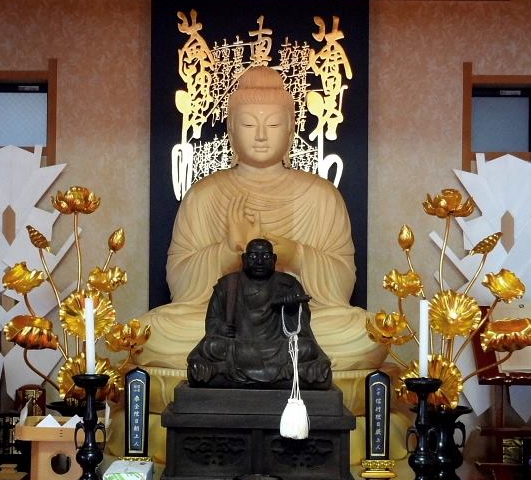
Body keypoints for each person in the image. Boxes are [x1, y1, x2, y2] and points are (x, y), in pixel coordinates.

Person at [136, 66, 386, 376]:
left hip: (295, 320)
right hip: (228, 323)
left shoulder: (322, 195)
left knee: (364, 331)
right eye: (248, 124)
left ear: (291, 129)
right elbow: (179, 283)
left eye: (274, 124)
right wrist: (228, 251)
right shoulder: (204, 194)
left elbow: (342, 284)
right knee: (152, 331)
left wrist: (294, 254)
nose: (261, 135)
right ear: (231, 129)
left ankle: (233, 366)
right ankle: (289, 366)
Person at [188, 238, 331, 389]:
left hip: (276, 347)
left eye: (266, 256)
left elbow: (301, 329)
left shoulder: (289, 284)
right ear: (244, 258)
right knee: (210, 346)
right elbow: (212, 322)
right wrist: (221, 328)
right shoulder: (227, 284)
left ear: (274, 259)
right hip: (238, 346)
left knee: (307, 348)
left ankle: (221, 370)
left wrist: (291, 309)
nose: (260, 262)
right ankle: (292, 373)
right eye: (253, 256)